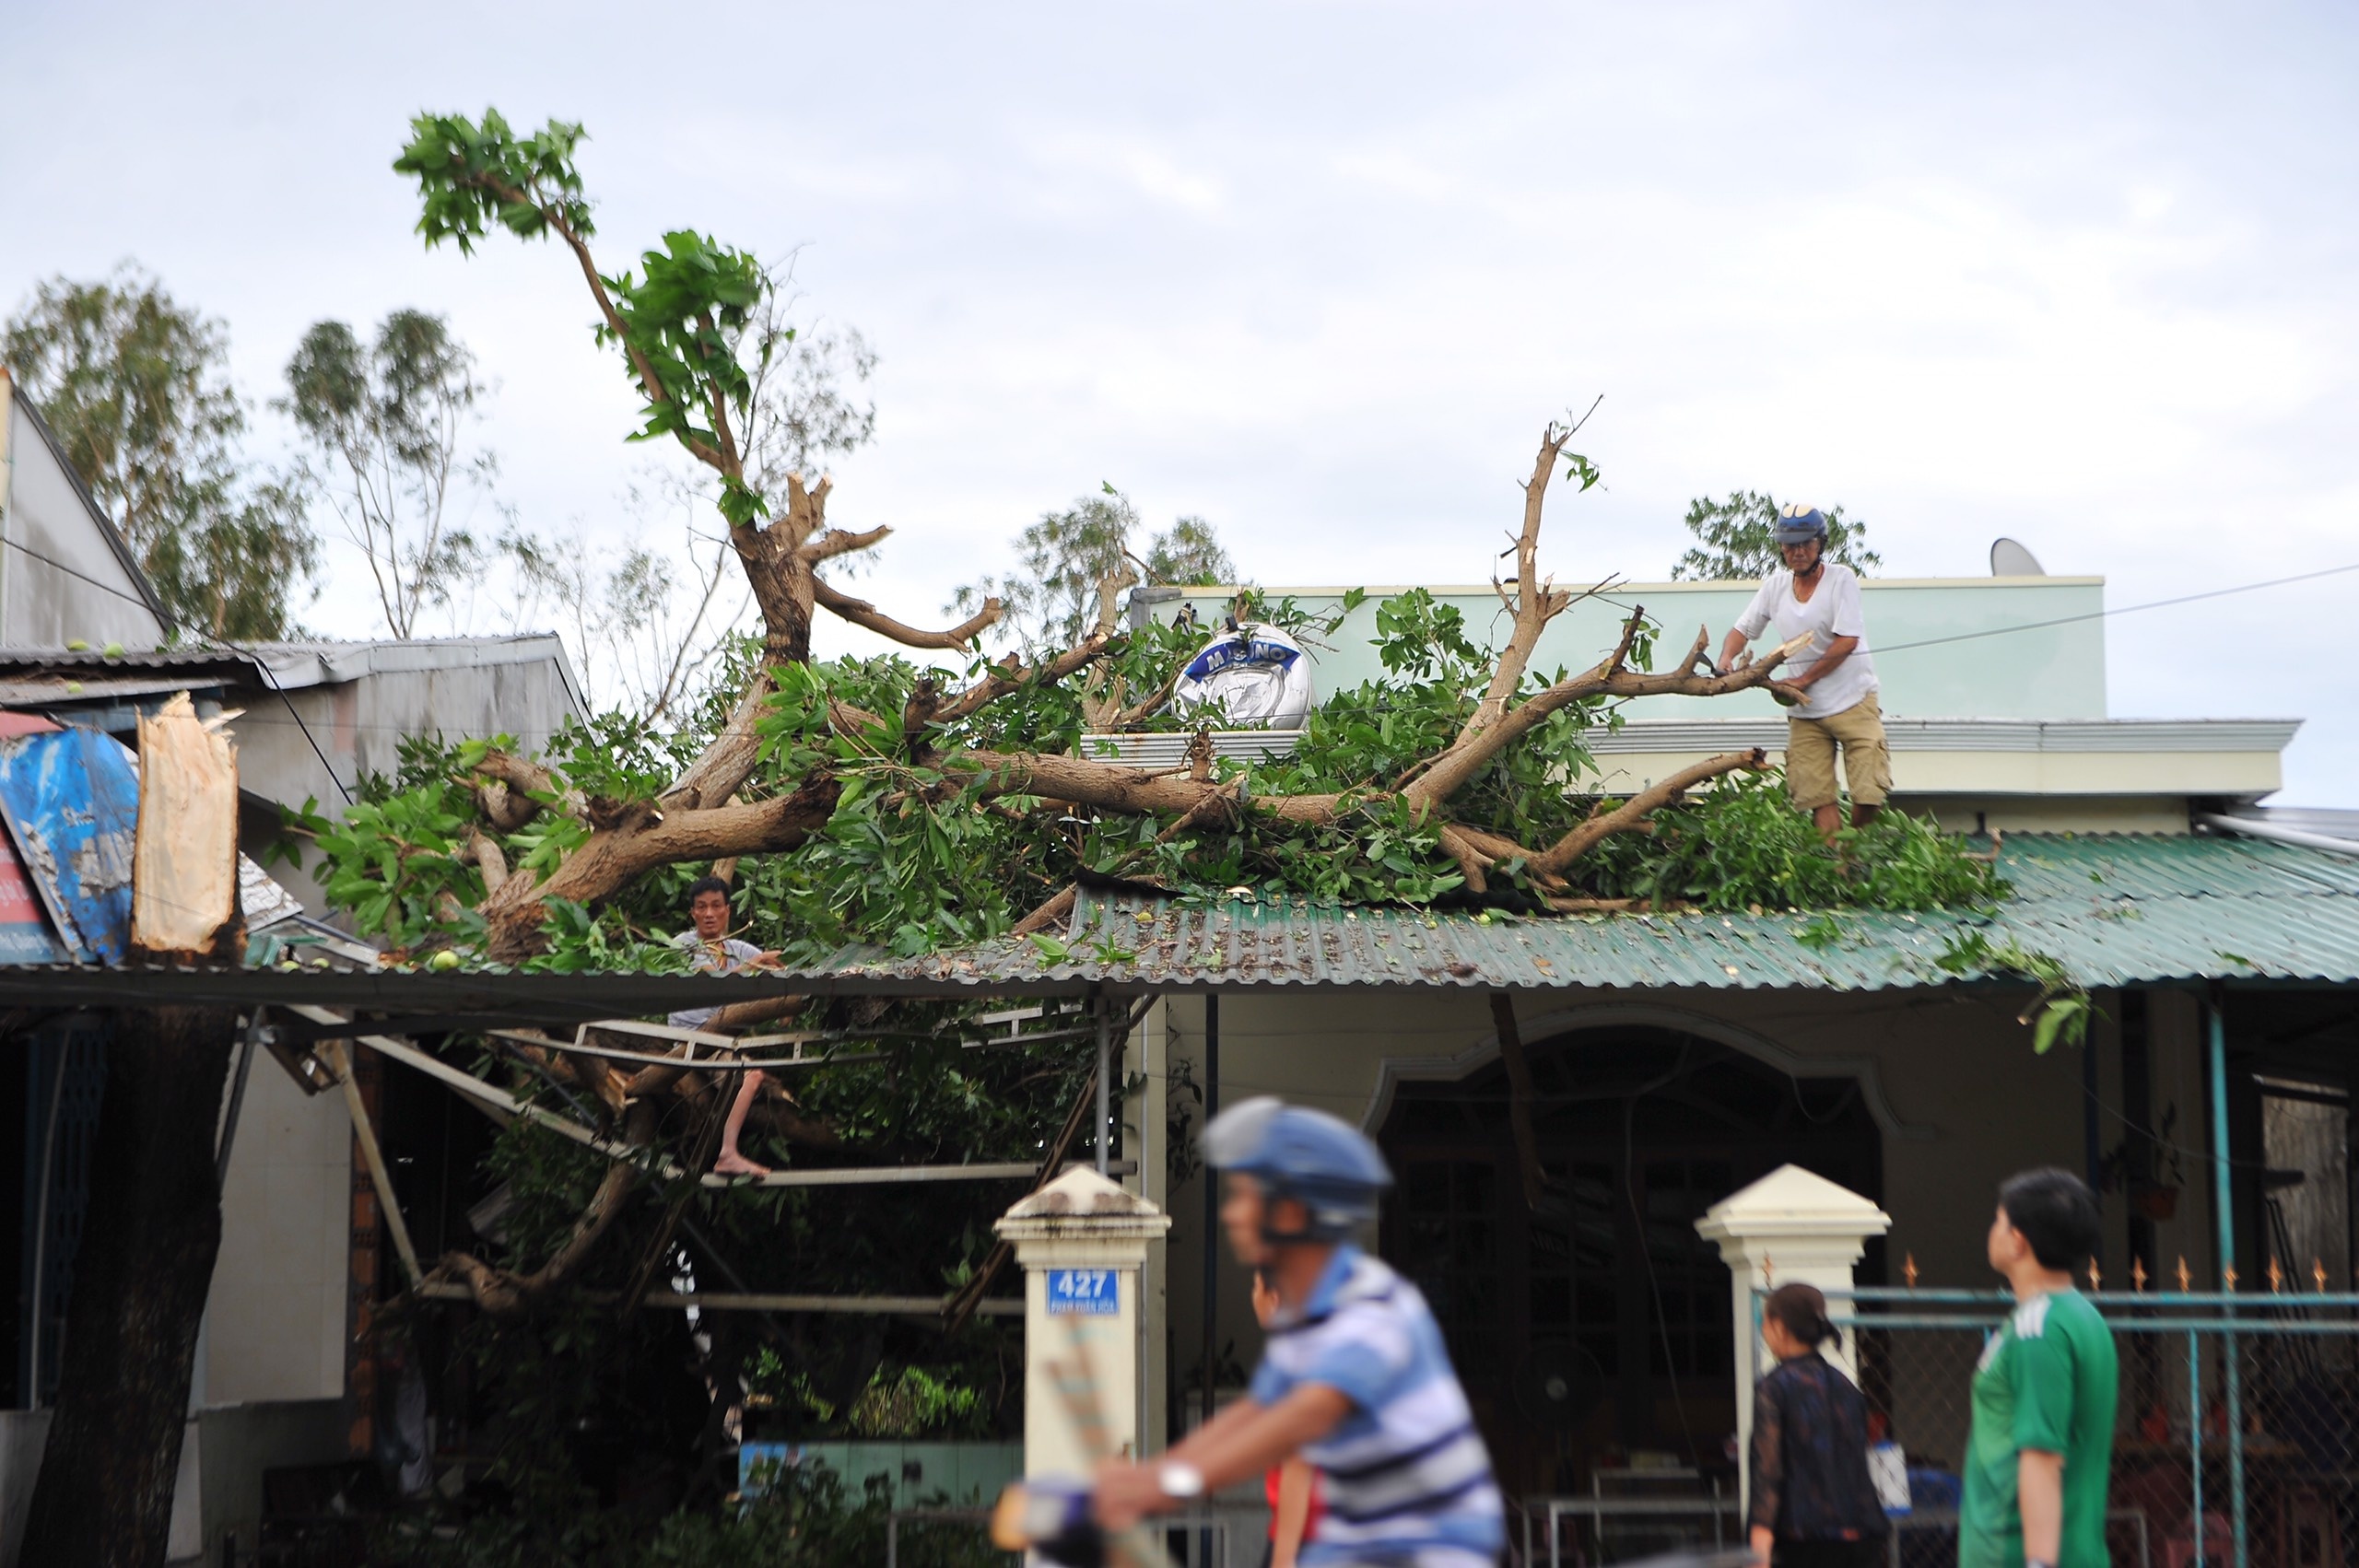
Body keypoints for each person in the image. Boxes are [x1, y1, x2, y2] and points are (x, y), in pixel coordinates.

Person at [1091, 1097, 1503, 1568]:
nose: (1231, 1214)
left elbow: (1297, 1425)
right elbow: (1258, 1412)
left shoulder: (1371, 1310)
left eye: (1245, 1195)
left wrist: (1162, 1485)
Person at [1960, 1168, 2118, 1568]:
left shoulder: (2039, 1328)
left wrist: (2038, 1562)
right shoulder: (2081, 1316)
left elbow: (2042, 1458)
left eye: (1999, 1220)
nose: (1992, 1230)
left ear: (2017, 1241)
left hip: (2013, 1554)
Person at [1715, 506, 1891, 842]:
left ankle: (1854, 851)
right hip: (1806, 711)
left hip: (1854, 700)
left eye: (1805, 545)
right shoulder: (1775, 587)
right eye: (1789, 545)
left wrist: (1801, 680)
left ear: (1820, 544)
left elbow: (1847, 641)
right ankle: (1835, 867)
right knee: (1816, 796)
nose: (1797, 552)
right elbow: (1742, 630)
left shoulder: (1842, 579)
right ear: (1781, 547)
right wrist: (1725, 659)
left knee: (1869, 794)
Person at [1748, 1282, 1887, 1568]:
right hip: (1862, 1535)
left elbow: (1768, 1472)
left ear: (1779, 1327)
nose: (1763, 1330)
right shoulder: (1847, 1388)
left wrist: (1759, 1547)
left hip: (1804, 1539)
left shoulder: (1774, 1389)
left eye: (1765, 1321)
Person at [666, 874, 781, 1177]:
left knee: (752, 1077)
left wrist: (787, 1001)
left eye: (716, 906)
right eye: (701, 907)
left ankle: (728, 1151)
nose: (709, 913)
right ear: (693, 913)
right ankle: (727, 1154)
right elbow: (712, 982)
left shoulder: (739, 950)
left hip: (722, 1042)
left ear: (727, 911)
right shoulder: (683, 945)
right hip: (690, 1040)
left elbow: (776, 972)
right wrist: (758, 964)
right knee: (749, 1076)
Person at [1251, 1267, 1323, 1568]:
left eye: (1256, 1287)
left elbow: (1298, 1464)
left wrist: (1284, 1555)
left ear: (1274, 1299)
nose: (1253, 1296)